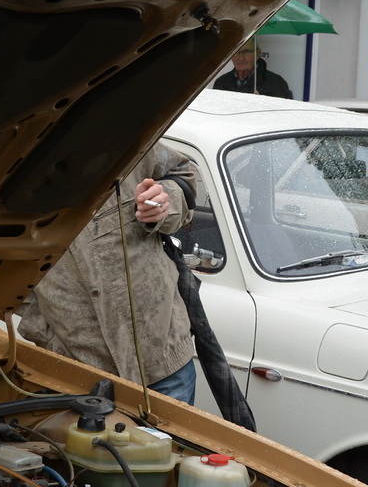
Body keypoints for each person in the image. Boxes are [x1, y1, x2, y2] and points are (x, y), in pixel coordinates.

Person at [18, 146, 201, 403]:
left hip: (165, 369)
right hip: (76, 376)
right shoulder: (0, 176)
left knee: (170, 445)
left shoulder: (119, 136)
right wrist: (50, 339)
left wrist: (165, 201)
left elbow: (187, 176)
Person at [213, 40, 293, 99]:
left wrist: (262, 104)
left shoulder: (276, 83)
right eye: (236, 52)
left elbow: (284, 116)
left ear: (258, 53)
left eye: (246, 51)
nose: (241, 58)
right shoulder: (220, 83)